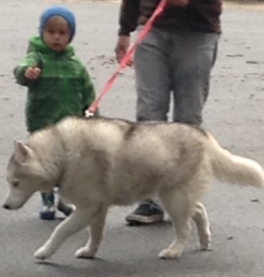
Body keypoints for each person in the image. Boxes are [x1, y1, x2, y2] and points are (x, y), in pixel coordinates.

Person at [115, 0, 222, 225]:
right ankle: (150, 198)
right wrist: (125, 30)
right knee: (149, 117)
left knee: (188, 119)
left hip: (197, 32)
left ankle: (183, 196)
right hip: (152, 29)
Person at [14, 6, 97, 220]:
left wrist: (92, 113)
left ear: (70, 36)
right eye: (51, 32)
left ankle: (65, 200)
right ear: (42, 32)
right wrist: (27, 73)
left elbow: (88, 91)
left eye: (62, 33)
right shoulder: (37, 57)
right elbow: (22, 70)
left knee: (69, 165)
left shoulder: (75, 65)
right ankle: (47, 201)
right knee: (42, 164)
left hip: (69, 125)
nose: (56, 38)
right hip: (42, 122)